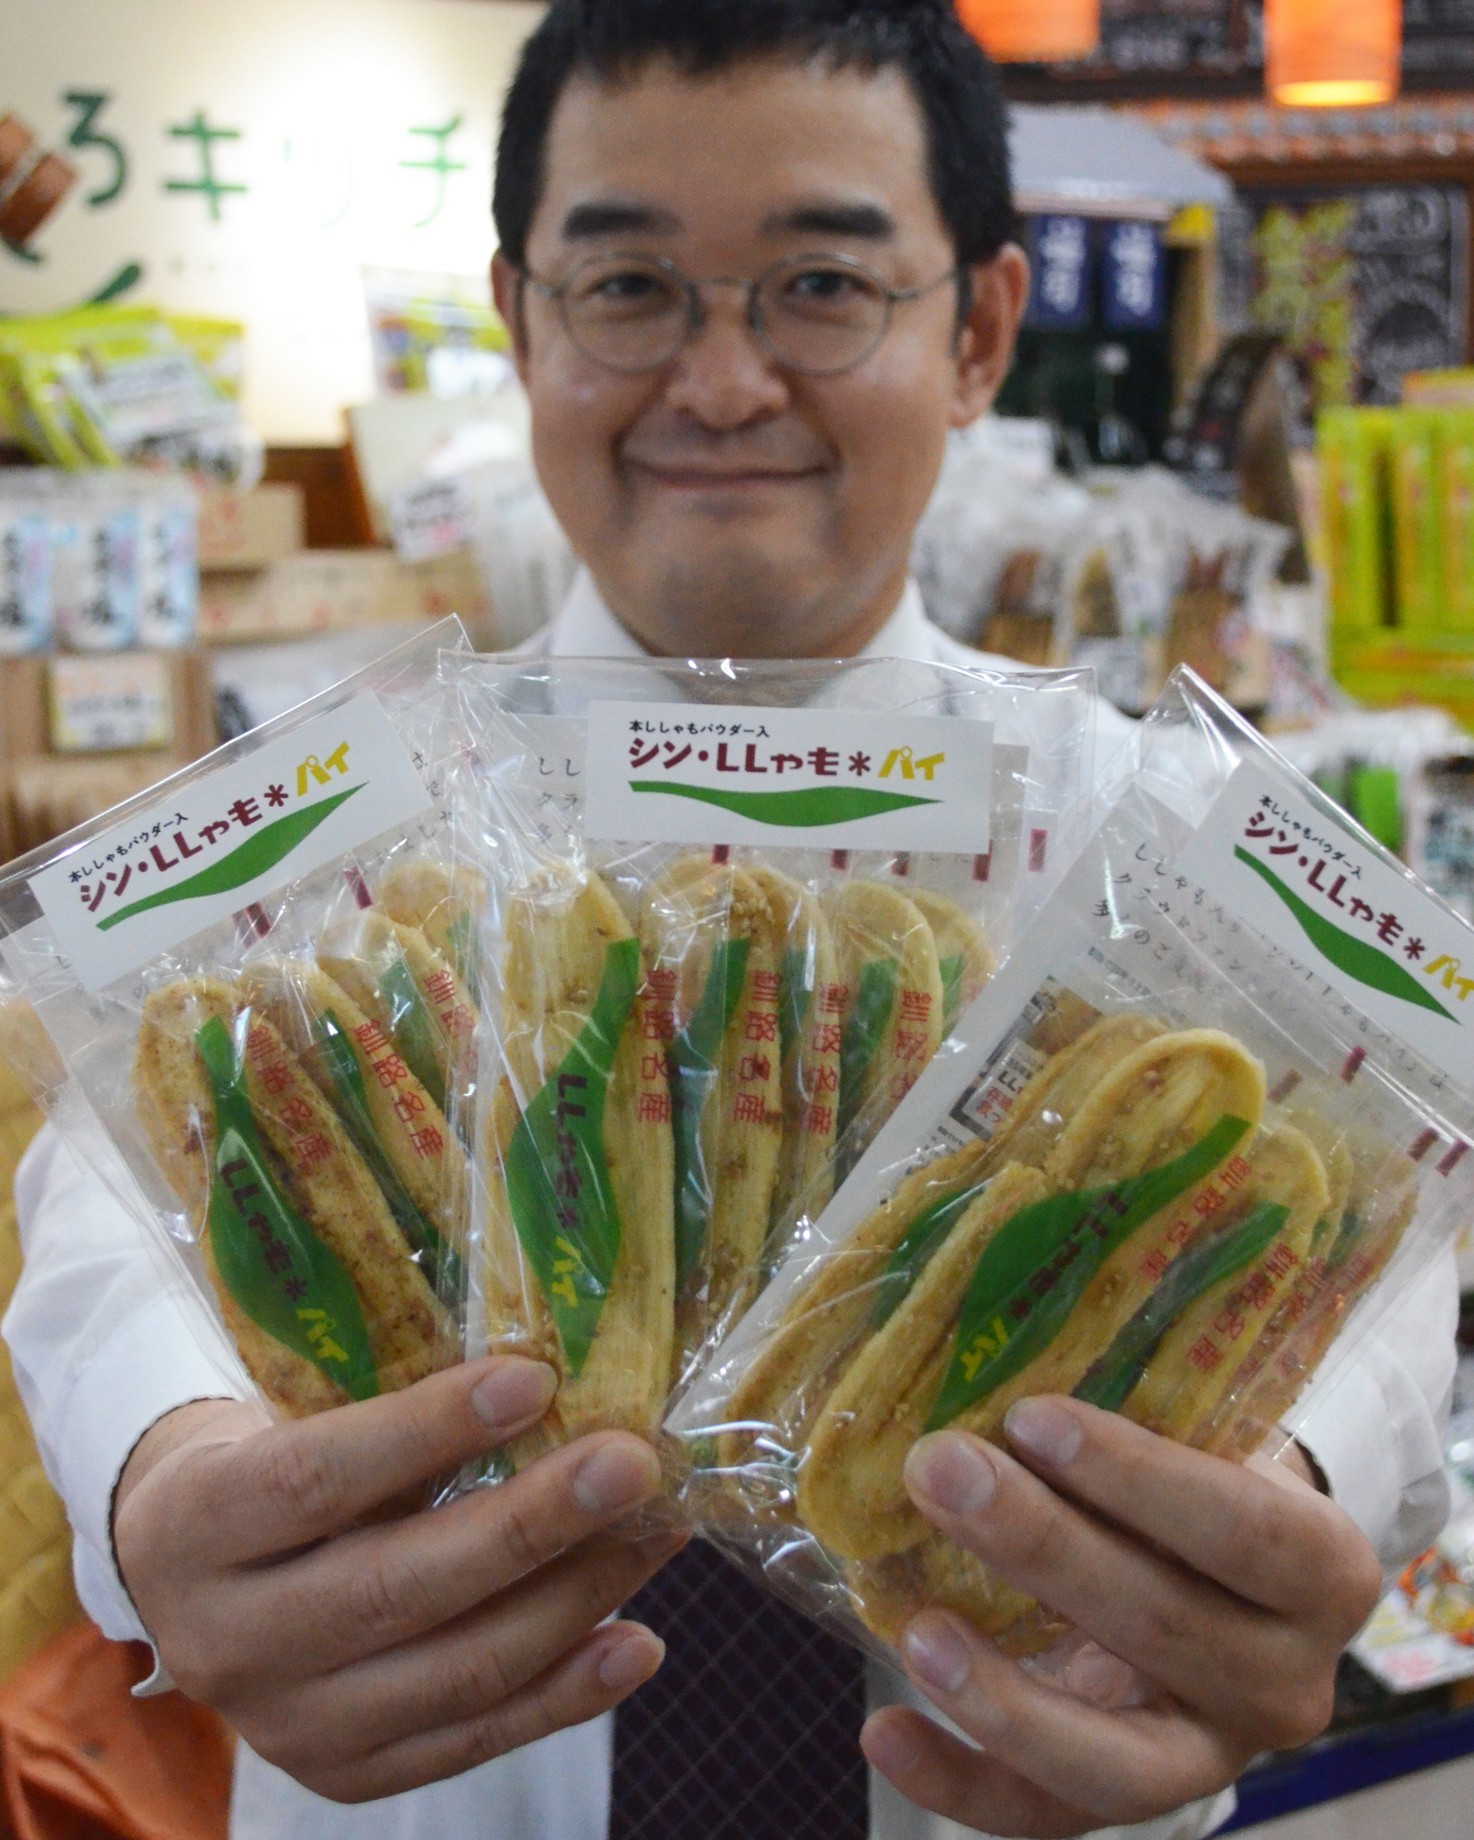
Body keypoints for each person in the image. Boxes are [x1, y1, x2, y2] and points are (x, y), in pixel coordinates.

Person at [6, 4, 1454, 1839]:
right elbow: (111, 1196)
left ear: (978, 331)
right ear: (519, 321)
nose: (719, 382)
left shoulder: (1161, 859)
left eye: (819, 286)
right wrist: (161, 1467)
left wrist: (1275, 1494)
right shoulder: (349, 842)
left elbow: (1382, 1246)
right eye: (626, 288)